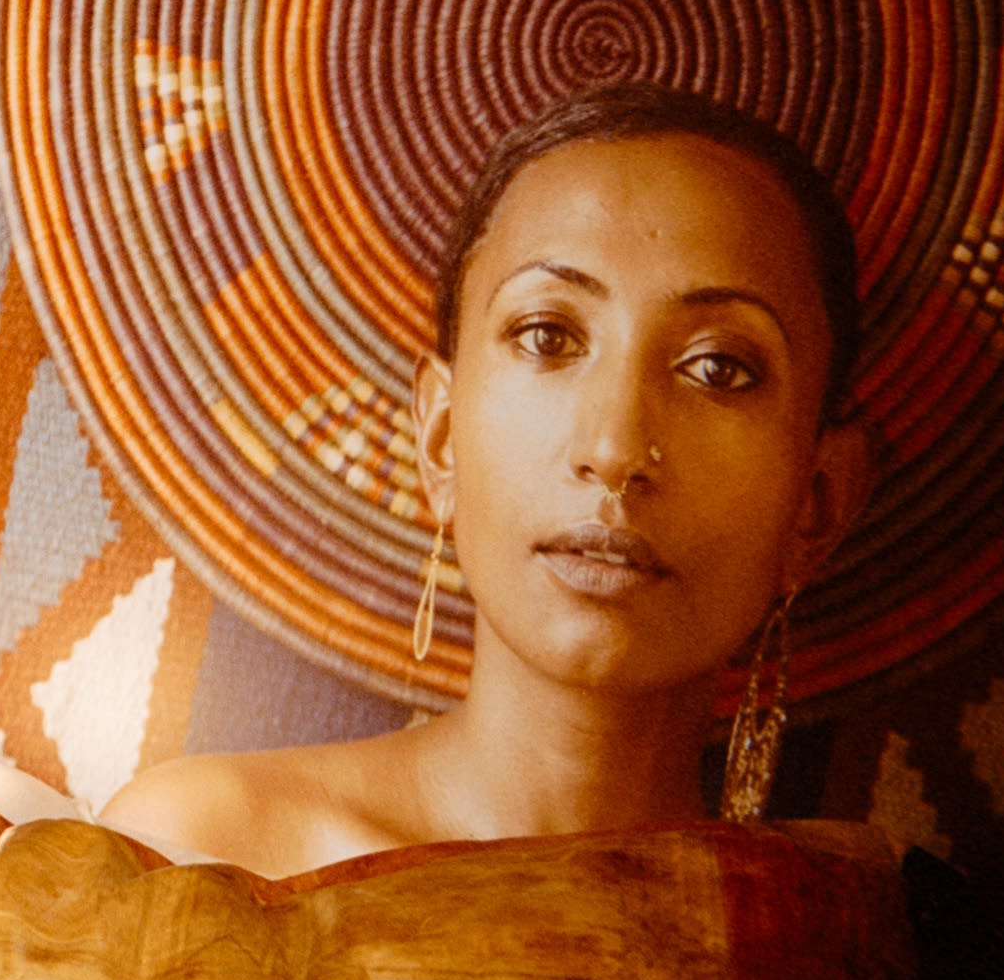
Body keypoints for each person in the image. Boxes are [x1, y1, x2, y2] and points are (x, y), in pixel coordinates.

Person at [104, 82, 872, 874]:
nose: (614, 448)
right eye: (547, 336)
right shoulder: (202, 855)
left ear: (818, 503)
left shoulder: (858, 937)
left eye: (718, 368)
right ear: (440, 439)